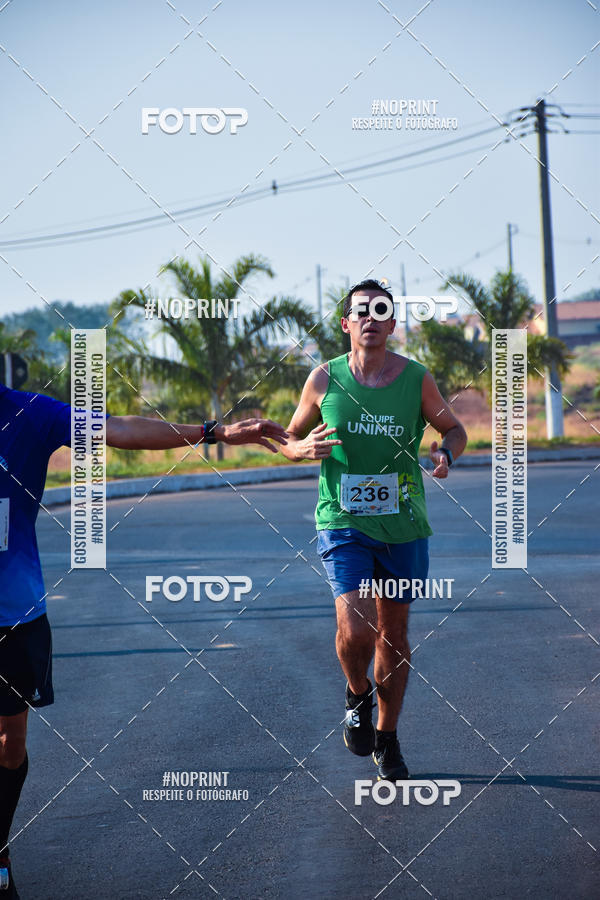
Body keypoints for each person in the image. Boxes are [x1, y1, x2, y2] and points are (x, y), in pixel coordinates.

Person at [0, 384, 287, 899]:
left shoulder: (29, 412)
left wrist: (213, 431)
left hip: (14, 609)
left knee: (9, 743)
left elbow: (120, 429)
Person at [280, 279, 467, 782]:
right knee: (356, 629)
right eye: (359, 311)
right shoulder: (323, 380)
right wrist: (297, 450)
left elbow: (454, 428)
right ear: (346, 324)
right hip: (343, 522)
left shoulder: (417, 379)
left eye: (379, 311)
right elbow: (288, 436)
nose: (369, 318)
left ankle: (386, 737)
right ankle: (356, 691)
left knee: (395, 635)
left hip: (403, 524)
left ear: (390, 323)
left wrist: (445, 452)